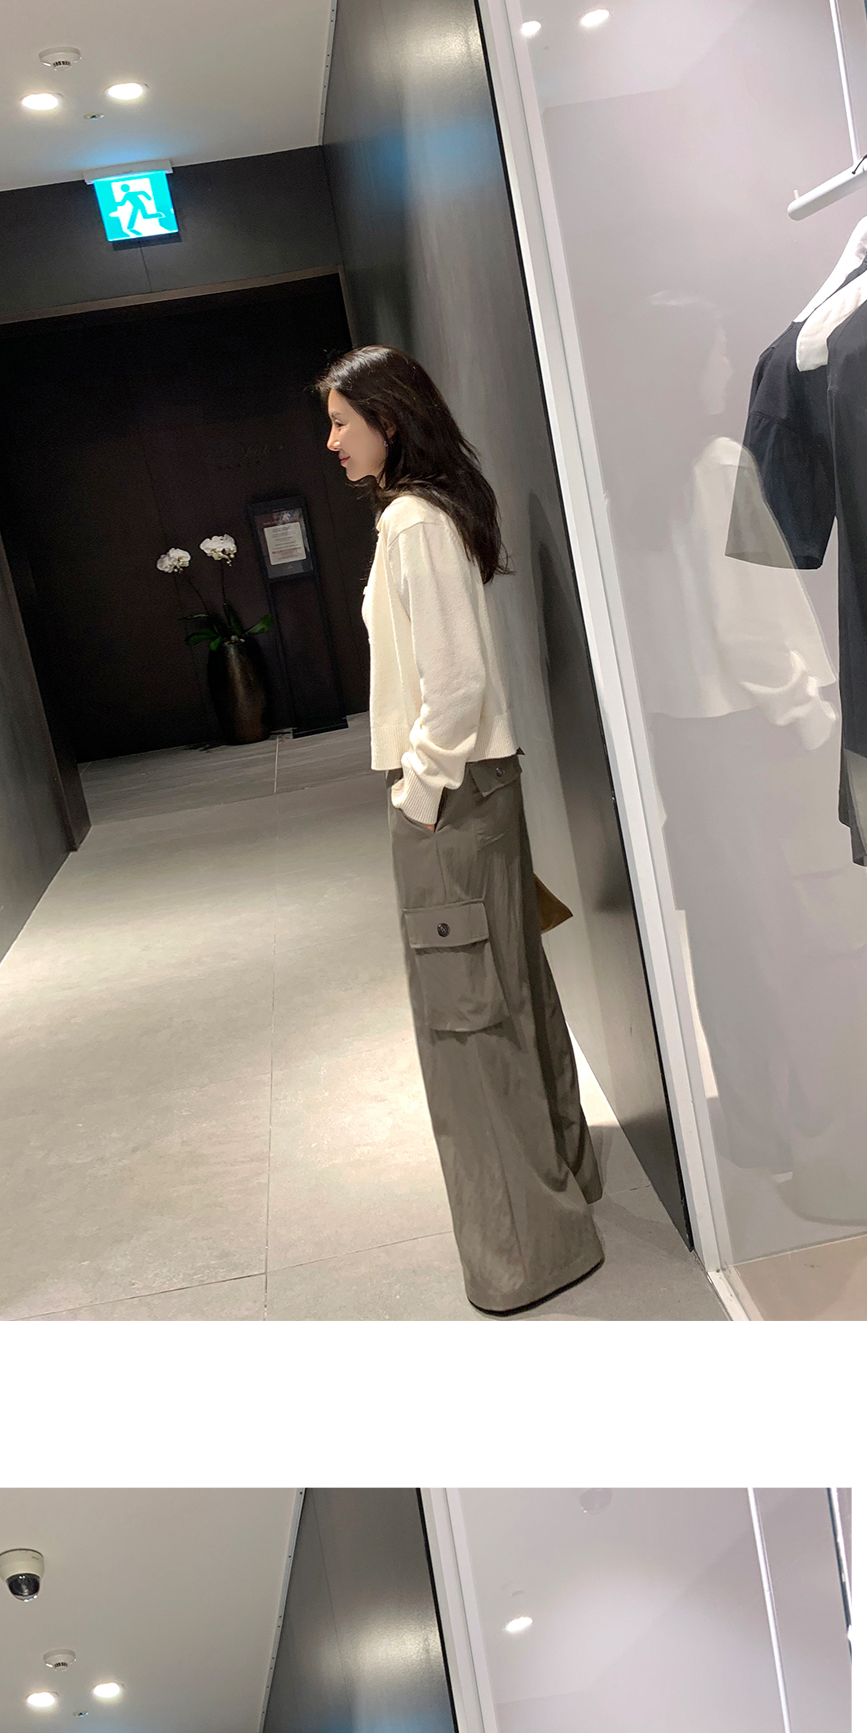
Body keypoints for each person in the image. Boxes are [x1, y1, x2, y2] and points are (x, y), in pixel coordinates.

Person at [320, 342, 603, 1315]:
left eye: (341, 423)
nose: (331, 442)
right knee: (509, 992)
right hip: (480, 790)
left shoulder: (411, 521)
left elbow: (456, 685)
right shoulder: (429, 515)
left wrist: (418, 791)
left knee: (468, 1026)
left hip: (451, 799)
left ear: (387, 420)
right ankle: (565, 1191)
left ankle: (528, 1253)